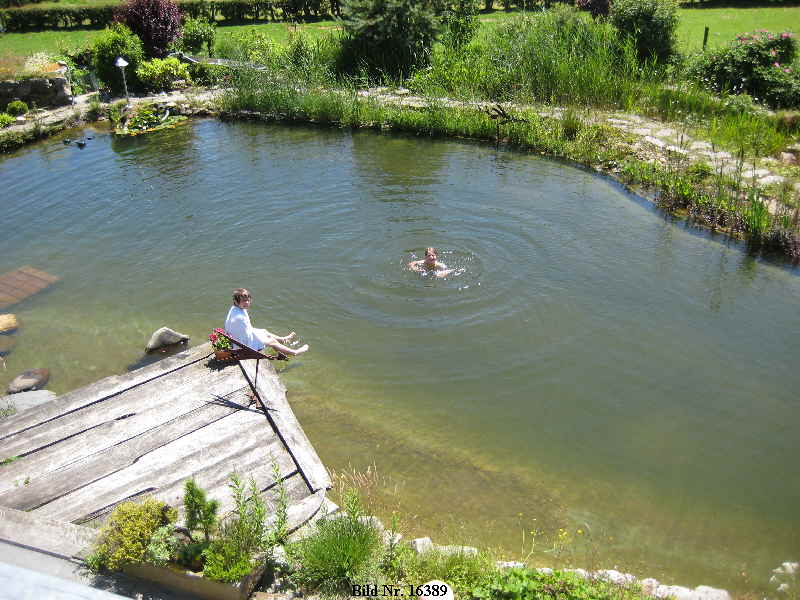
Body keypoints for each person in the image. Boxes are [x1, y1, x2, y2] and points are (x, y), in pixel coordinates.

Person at [224, 288, 309, 356]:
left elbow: (245, 330)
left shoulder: (235, 309)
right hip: (243, 344)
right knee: (272, 341)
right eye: (243, 301)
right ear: (236, 302)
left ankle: (282, 340)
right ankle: (295, 352)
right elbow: (247, 338)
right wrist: (262, 341)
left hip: (237, 339)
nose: (247, 303)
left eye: (248, 300)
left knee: (264, 331)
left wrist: (259, 334)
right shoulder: (240, 318)